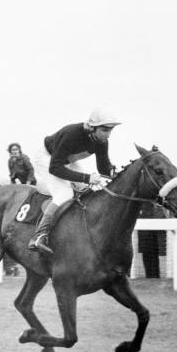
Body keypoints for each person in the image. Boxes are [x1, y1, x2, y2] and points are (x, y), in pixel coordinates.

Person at [28, 106, 120, 254]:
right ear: (92, 127)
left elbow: (103, 168)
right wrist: (87, 177)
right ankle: (39, 236)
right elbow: (55, 168)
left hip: (65, 161)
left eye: (110, 130)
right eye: (104, 130)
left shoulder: (102, 141)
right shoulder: (72, 134)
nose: (108, 135)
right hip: (46, 159)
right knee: (65, 194)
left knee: (89, 188)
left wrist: (114, 172)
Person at [137, 202, 167, 278]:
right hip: (144, 231)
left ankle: (155, 274)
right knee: (146, 253)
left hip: (155, 231)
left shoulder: (156, 204)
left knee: (153, 253)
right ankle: (150, 274)